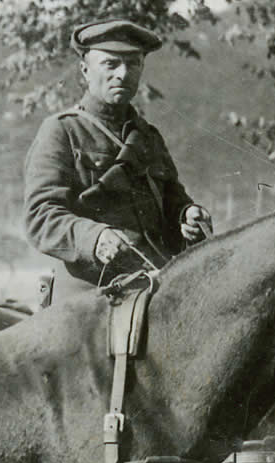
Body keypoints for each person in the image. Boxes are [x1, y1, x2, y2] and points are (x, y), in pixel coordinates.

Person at [22, 15, 215, 287]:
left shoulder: (148, 137)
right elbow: (40, 216)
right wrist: (95, 237)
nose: (123, 74)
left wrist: (188, 217)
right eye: (110, 64)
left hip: (155, 281)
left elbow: (173, 203)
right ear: (85, 70)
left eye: (133, 64)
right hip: (90, 291)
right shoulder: (61, 131)